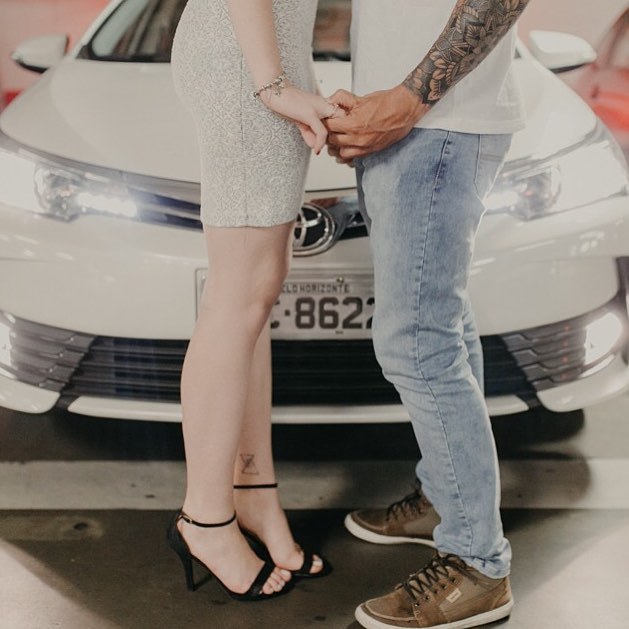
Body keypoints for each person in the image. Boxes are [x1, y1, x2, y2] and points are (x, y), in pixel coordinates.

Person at [326, 1, 530, 627]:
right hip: (413, 120)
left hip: (437, 121)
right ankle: (448, 501)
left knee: (417, 342)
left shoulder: (426, 109)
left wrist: (411, 97)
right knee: (442, 325)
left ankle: (477, 563)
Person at [166, 0, 339, 601]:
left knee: (253, 294)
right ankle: (205, 519)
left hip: (265, 53)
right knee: (239, 295)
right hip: (250, 61)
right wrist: (272, 84)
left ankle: (253, 493)